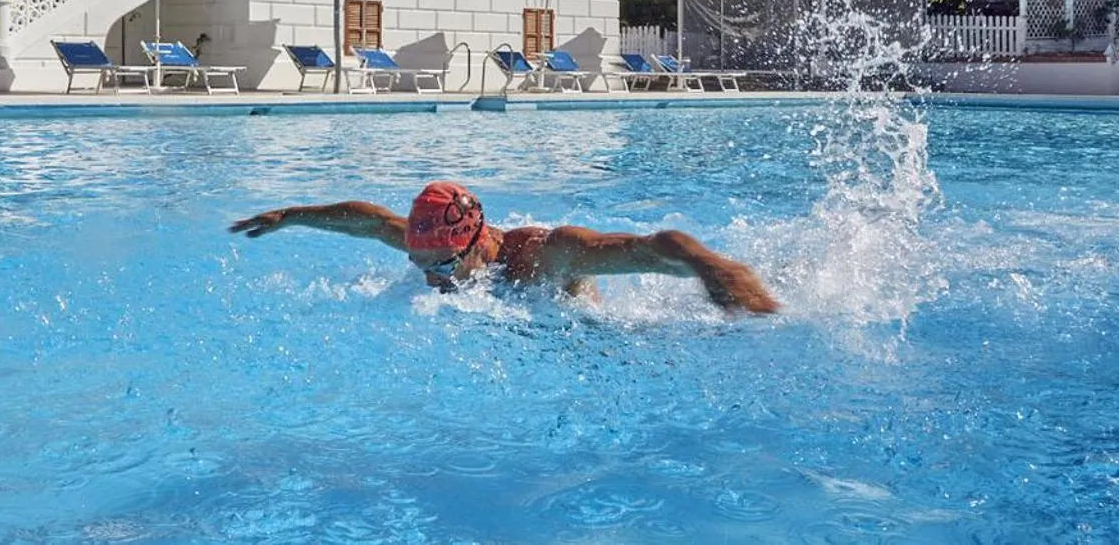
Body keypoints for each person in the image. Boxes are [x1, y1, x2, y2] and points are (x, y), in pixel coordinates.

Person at [229, 180, 779, 314]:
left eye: (442, 265)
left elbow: (656, 244)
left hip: (582, 332)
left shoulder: (542, 255)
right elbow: (370, 221)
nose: (432, 279)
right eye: (420, 264)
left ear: (474, 243)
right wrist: (292, 217)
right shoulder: (431, 247)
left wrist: (712, 266)